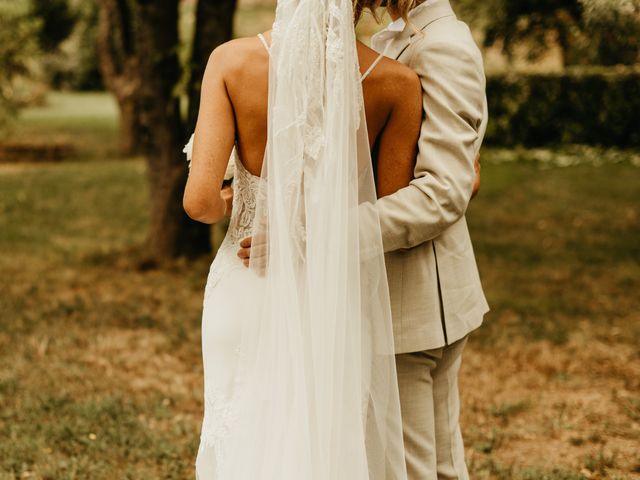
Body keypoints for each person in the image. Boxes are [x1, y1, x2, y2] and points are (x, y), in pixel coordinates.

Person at [239, 1, 490, 479]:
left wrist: (310, 238)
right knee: (412, 462)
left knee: (416, 467)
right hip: (383, 289)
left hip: (415, 298)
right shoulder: (393, 41)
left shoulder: (443, 47)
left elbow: (441, 193)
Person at [182, 0, 427, 478]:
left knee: (245, 442)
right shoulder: (397, 83)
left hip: (246, 284)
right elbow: (389, 216)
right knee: (323, 442)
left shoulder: (230, 62)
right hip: (332, 297)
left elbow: (198, 203)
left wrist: (234, 199)